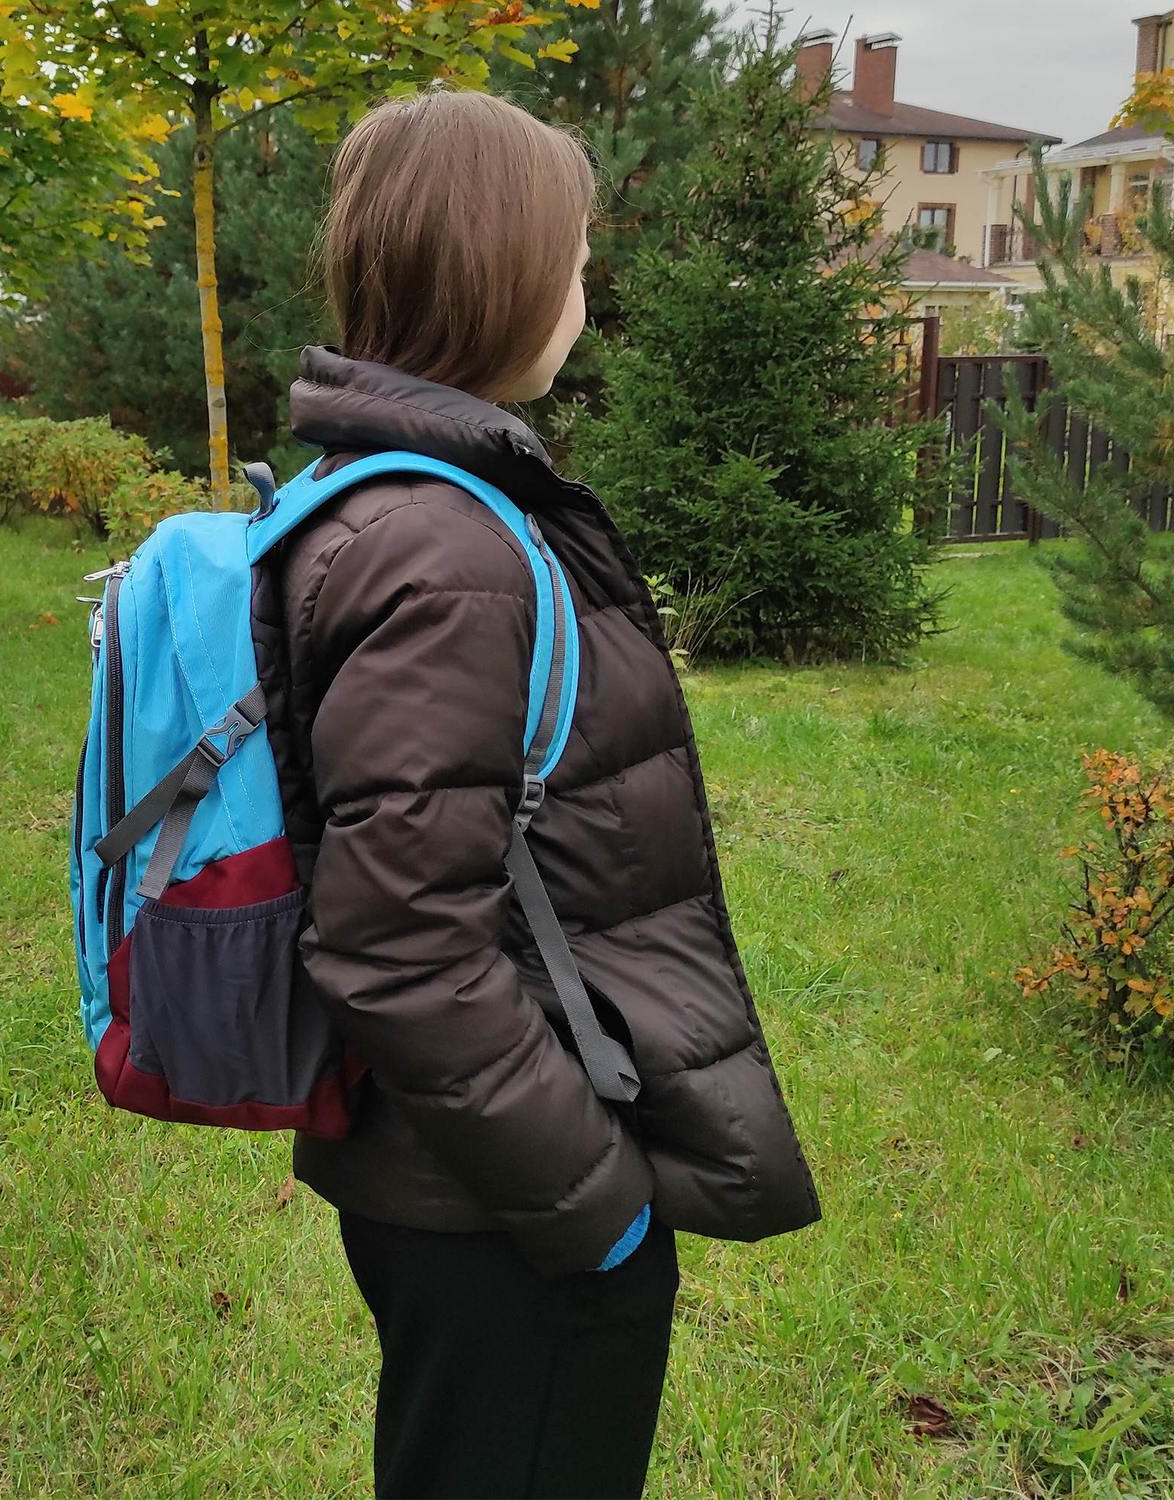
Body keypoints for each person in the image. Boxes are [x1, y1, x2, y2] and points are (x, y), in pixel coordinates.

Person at [255, 87, 820, 1500]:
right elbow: (397, 941)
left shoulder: (397, 502)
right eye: (572, 260)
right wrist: (597, 1210)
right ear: (501, 271)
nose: (583, 291)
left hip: (455, 1177)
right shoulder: (445, 547)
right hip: (501, 1204)